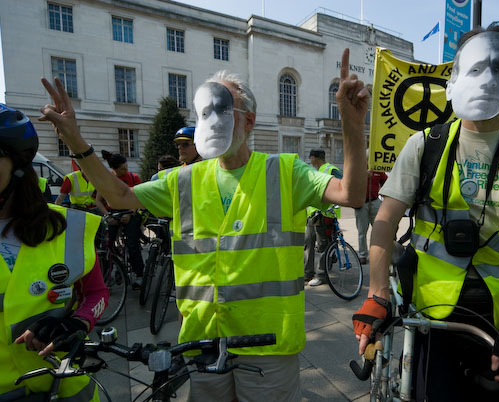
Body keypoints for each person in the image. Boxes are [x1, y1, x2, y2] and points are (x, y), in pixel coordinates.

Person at [39, 48, 368, 402]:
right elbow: (119, 196)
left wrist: (351, 123)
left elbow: (351, 193)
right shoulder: (183, 180)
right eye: (207, 111)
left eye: (224, 109)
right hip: (202, 343)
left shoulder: (285, 172)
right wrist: (74, 139)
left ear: (250, 121)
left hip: (268, 348)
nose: (214, 120)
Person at [352, 23, 499, 402]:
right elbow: (384, 221)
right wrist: (377, 294)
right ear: (455, 76)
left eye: (498, 68)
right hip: (430, 317)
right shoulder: (425, 145)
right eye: (473, 68)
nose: (484, 79)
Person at [0, 104, 108, 401]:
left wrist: (78, 322)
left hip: (62, 386)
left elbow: (97, 292)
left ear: (18, 162)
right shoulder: (72, 179)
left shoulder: (66, 229)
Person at [95, 150, 145, 289]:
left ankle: (140, 274)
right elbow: (98, 201)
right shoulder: (107, 180)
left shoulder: (133, 178)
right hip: (113, 213)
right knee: (107, 245)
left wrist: (130, 213)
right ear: (114, 169)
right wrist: (107, 216)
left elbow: (140, 199)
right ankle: (107, 274)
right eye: (122, 169)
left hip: (131, 212)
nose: (126, 171)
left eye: (126, 168)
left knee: (132, 244)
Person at [304, 149, 343, 286]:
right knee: (308, 243)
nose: (310, 160)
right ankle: (307, 274)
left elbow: (343, 185)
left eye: (310, 157)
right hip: (312, 214)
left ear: (314, 158)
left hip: (324, 215)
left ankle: (321, 275)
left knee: (323, 246)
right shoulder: (316, 170)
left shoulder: (331, 169)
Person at [354, 161, 387, 264]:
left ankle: (378, 253)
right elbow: (352, 183)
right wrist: (364, 176)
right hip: (362, 203)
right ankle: (363, 254)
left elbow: (385, 182)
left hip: (374, 201)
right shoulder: (358, 169)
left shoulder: (378, 169)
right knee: (362, 230)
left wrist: (384, 193)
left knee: (377, 228)